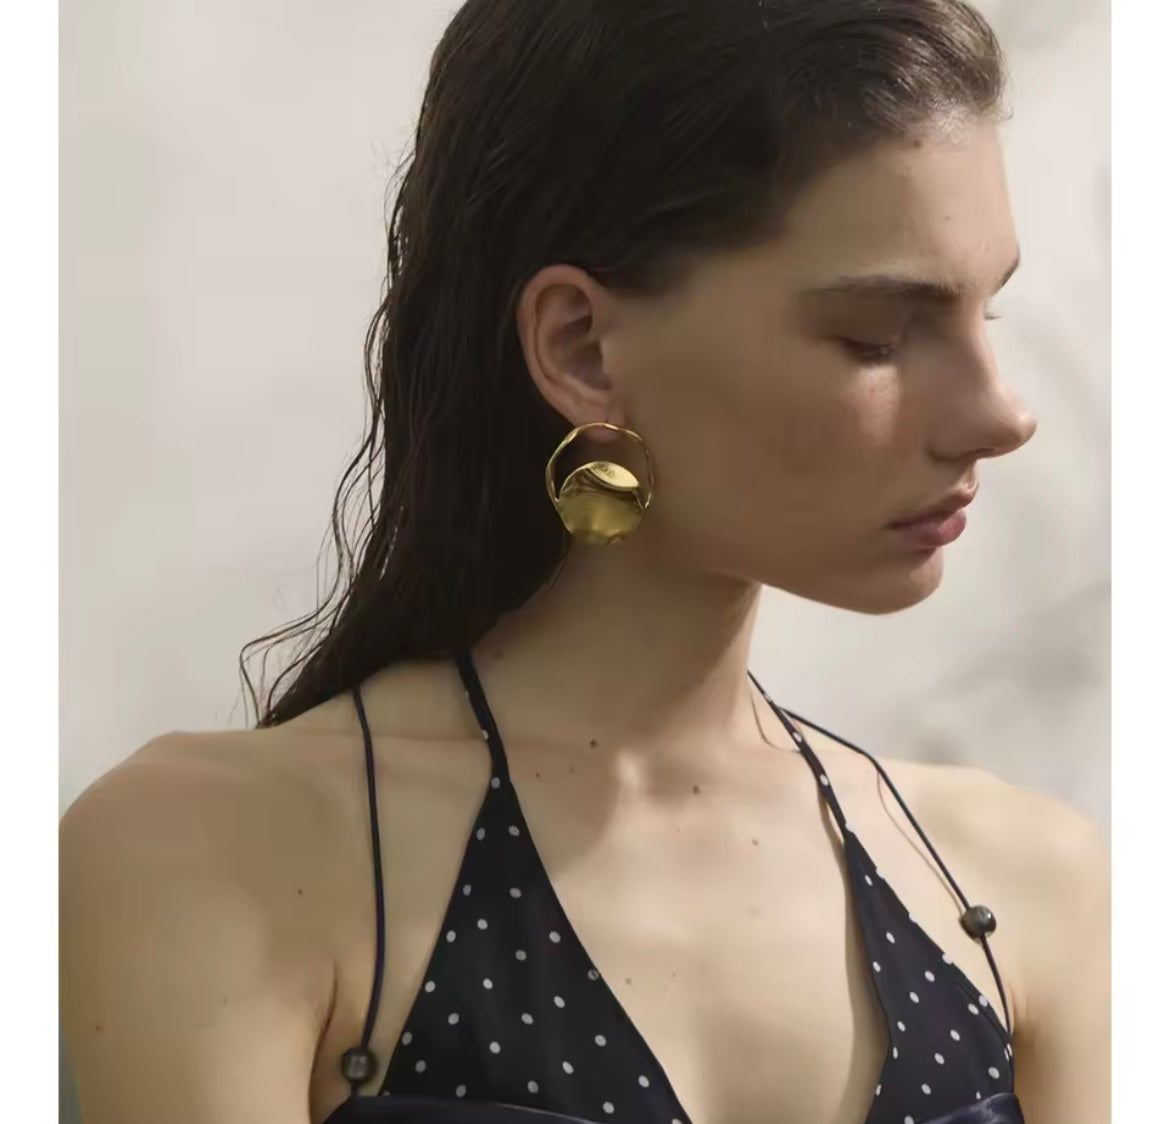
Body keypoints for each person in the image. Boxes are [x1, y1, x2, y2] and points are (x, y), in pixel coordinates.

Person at [59, 1, 1110, 1122]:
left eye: (989, 314)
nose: (1002, 414)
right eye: (876, 336)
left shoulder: (1020, 883)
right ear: (582, 347)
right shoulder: (226, 856)